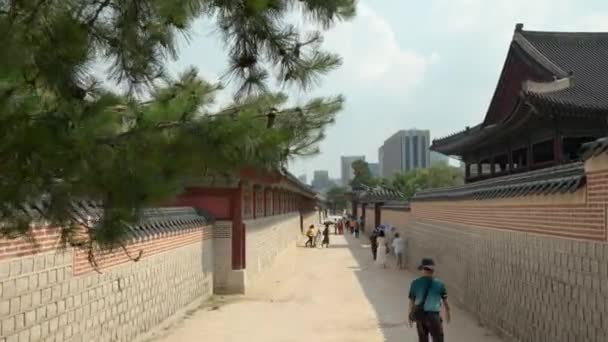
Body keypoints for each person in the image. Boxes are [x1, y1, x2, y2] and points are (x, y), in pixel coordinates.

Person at [408, 258, 450, 342]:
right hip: (434, 317)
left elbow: (411, 302)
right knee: (438, 339)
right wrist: (448, 313)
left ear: (422, 270)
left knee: (423, 340)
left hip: (420, 316)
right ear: (433, 270)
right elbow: (446, 303)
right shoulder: (440, 284)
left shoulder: (415, 283)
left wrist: (409, 316)